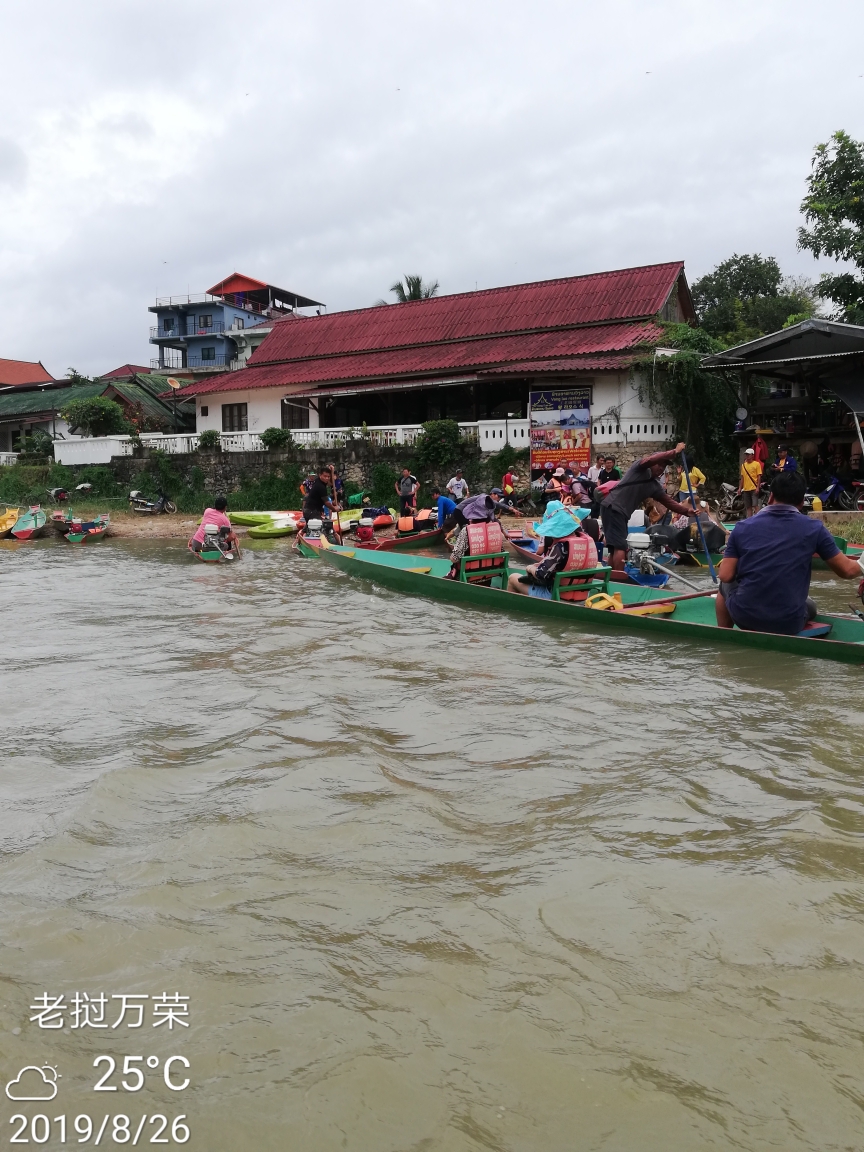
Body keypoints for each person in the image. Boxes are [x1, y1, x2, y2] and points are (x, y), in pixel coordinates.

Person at [716, 471, 864, 634]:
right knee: (810, 606)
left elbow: (725, 575)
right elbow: (848, 571)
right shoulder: (814, 528)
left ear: (771, 497)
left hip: (745, 618)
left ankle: (724, 634)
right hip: (789, 623)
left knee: (725, 583)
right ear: (801, 501)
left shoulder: (742, 527)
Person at [599, 443, 699, 572]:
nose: (661, 468)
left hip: (616, 511)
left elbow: (668, 502)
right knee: (620, 548)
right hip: (613, 507)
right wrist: (674, 451)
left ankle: (612, 575)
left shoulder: (654, 486)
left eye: (664, 466)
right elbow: (650, 459)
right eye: (659, 464)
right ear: (652, 463)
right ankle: (618, 578)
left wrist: (686, 511)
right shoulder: (640, 468)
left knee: (614, 548)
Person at [507, 503, 598, 599]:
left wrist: (530, 568)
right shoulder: (588, 541)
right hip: (582, 596)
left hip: (558, 595)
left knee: (513, 578)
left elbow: (540, 574)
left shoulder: (561, 547)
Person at [445, 494, 498, 578]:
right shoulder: (495, 530)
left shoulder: (466, 531)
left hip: (469, 575)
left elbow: (454, 558)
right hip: (489, 575)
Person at [738, 447, 764, 518]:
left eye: (748, 454)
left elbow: (759, 476)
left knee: (755, 505)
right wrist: (740, 488)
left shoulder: (756, 464)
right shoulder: (743, 465)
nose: (747, 456)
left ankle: (758, 519)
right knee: (748, 506)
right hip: (746, 489)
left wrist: (758, 487)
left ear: (752, 455)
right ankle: (750, 520)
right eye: (746, 454)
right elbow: (742, 477)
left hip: (754, 488)